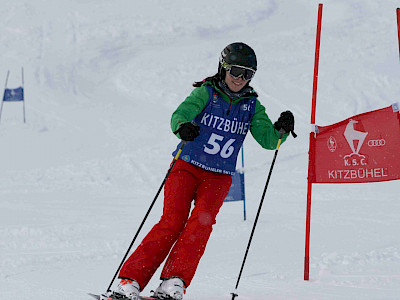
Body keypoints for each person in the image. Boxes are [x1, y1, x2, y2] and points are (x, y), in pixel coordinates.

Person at [107, 42, 295, 300]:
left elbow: (268, 141)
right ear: (224, 68)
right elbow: (180, 114)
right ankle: (129, 281)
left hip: (218, 176)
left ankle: (173, 281)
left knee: (200, 226)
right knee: (172, 222)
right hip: (186, 166)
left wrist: (281, 131)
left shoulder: (251, 106)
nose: (240, 79)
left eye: (247, 74)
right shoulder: (207, 93)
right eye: (236, 71)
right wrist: (183, 127)